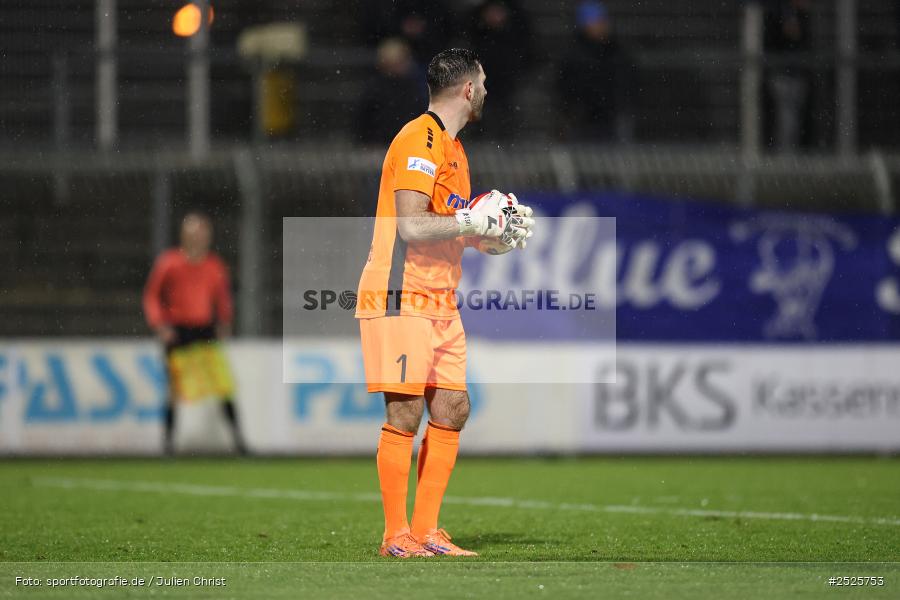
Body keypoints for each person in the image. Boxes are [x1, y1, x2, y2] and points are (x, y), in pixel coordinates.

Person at [355, 48, 533, 558]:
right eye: (485, 82)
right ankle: (396, 536)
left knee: (453, 408)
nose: (488, 91)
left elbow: (444, 227)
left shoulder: (454, 150)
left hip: (441, 298)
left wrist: (489, 235)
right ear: (468, 89)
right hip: (400, 291)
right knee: (407, 413)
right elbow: (410, 224)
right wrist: (470, 222)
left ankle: (427, 532)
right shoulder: (420, 138)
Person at [143, 212, 247, 456]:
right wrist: (160, 325)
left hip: (205, 329)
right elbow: (151, 297)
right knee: (175, 389)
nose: (199, 238)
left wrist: (224, 322)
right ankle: (168, 444)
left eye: (203, 233)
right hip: (178, 330)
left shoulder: (214, 266)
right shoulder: (169, 263)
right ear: (184, 236)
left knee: (223, 385)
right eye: (194, 233)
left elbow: (222, 298)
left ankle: (239, 442)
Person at [557, 1, 635, 142]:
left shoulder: (617, 53)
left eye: (602, 21)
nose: (600, 26)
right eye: (595, 22)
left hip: (611, 119)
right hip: (582, 120)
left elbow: (627, 83)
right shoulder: (572, 55)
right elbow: (564, 88)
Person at [465, 0, 534, 139]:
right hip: (482, 76)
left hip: (508, 77)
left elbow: (529, 50)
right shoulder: (475, 24)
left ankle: (506, 141)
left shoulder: (518, 21)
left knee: (506, 115)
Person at [357, 38, 428, 145]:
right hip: (381, 144)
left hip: (406, 143)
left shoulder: (414, 87)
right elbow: (363, 121)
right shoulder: (375, 89)